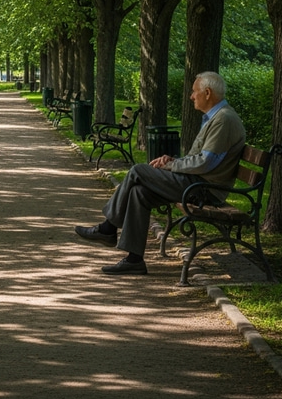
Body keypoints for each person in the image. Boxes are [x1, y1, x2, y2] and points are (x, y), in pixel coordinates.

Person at [75, 71, 246, 275]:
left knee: (138, 170)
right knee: (139, 192)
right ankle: (134, 260)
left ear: (207, 93)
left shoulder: (223, 119)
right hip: (196, 183)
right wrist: (174, 160)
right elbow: (202, 159)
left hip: (205, 190)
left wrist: (172, 166)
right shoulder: (216, 117)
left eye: (194, 92)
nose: (191, 96)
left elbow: (206, 162)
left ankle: (108, 228)